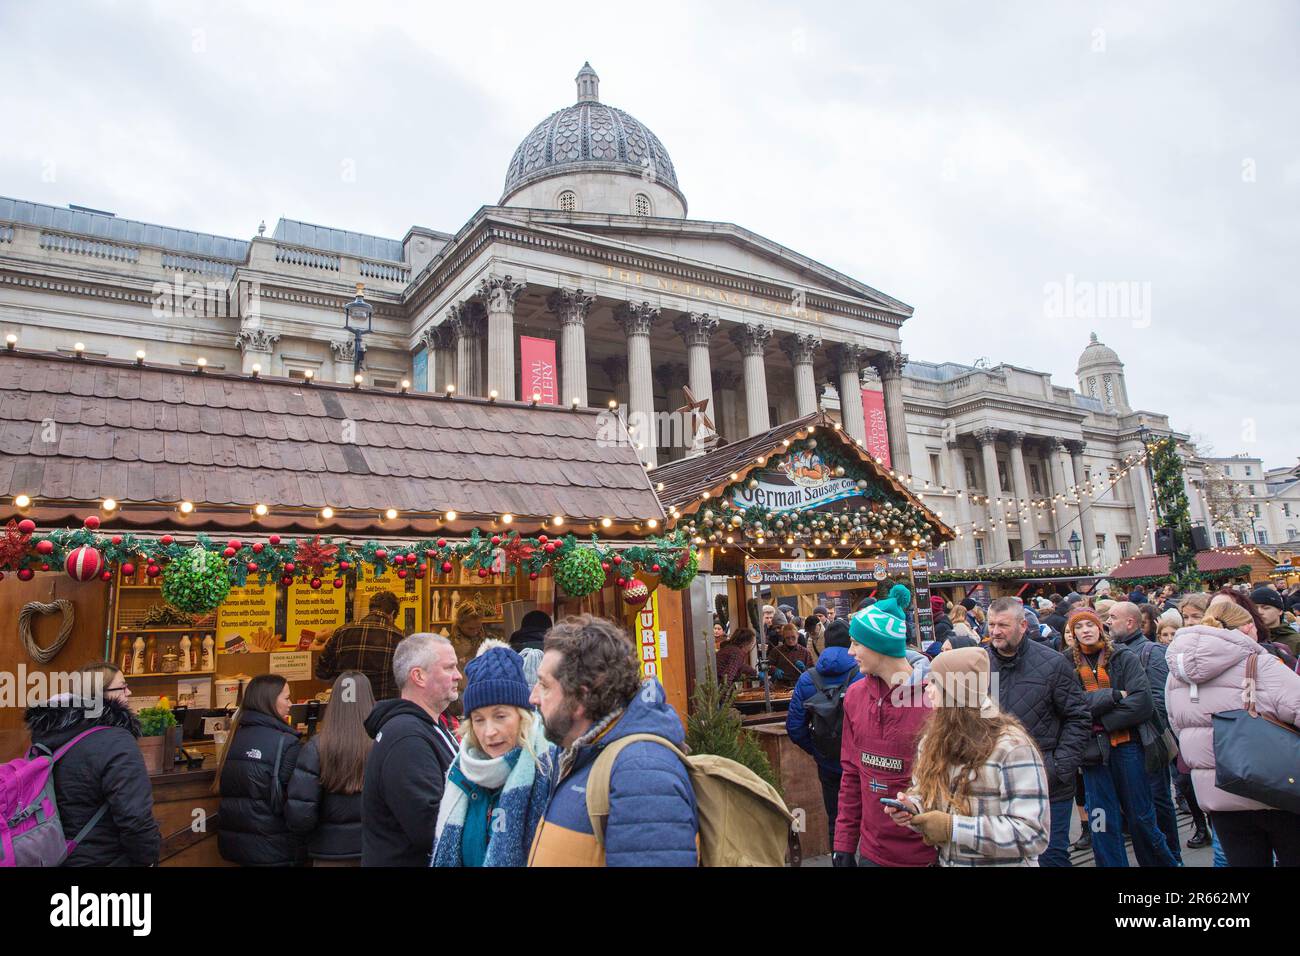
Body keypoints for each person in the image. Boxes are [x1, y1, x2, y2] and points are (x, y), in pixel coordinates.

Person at [527, 615, 697, 867]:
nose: (533, 697)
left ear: (580, 697)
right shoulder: (584, 754)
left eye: (544, 685)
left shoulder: (642, 773)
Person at [884, 647, 1051, 866]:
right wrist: (913, 807)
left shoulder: (1012, 747)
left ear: (955, 690)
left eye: (934, 682)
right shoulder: (933, 739)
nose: (927, 690)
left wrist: (953, 828)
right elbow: (924, 793)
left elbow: (1033, 834)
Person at [1165, 597, 1300, 866]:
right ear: (1249, 627)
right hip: (1276, 788)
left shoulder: (1177, 676)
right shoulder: (1262, 664)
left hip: (1220, 793)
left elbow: (1179, 727)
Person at [1064, 608, 1176, 867]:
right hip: (1093, 756)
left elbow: (1142, 702)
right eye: (1078, 627)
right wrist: (1113, 696)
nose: (1085, 631)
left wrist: (1099, 721)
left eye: (1089, 625)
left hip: (1128, 748)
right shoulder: (1065, 663)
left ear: (1100, 627)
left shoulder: (1124, 657)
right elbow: (1070, 706)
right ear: (1072, 633)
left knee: (1142, 818)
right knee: (1102, 822)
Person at [983, 596, 1089, 867]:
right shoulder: (979, 663)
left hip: (1049, 784)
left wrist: (1058, 767)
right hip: (995, 784)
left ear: (1022, 625)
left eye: (1003, 625)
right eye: (991, 624)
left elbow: (1078, 718)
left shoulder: (1053, 663)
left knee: (1051, 859)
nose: (995, 631)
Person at [832, 590, 935, 867]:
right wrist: (843, 843)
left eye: (856, 643)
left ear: (880, 644)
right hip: (872, 852)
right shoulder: (854, 696)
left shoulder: (935, 700)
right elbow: (852, 774)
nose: (850, 652)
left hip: (927, 854)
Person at [22, 662, 160, 866]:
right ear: (99, 694)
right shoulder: (117, 741)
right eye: (122, 686)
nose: (129, 692)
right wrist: (149, 860)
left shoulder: (49, 737)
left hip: (57, 856)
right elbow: (136, 819)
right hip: (107, 860)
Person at [432, 645, 556, 867]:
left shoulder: (550, 771)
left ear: (522, 716)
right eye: (479, 719)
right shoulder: (461, 773)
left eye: (500, 716)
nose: (489, 732)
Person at [362, 633, 461, 866]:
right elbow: (430, 827)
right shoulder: (407, 738)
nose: (458, 675)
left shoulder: (425, 727)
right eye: (449, 668)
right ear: (418, 676)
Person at [1105, 601, 1180, 864]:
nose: (1108, 622)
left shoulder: (1151, 652)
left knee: (1158, 802)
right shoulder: (1111, 653)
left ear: (1130, 623)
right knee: (1139, 809)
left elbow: (1160, 701)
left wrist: (1127, 715)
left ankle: (1173, 855)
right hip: (1124, 744)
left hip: (1148, 740)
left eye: (1113, 617)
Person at [285, 671, 375, 865]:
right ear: (369, 699)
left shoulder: (315, 748)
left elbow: (300, 816)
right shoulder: (383, 744)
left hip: (329, 852)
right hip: (375, 850)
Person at [214, 673, 304, 866]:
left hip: (238, 847)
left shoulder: (234, 738)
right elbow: (297, 803)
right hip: (275, 847)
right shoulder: (287, 743)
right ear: (270, 701)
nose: (291, 704)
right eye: (287, 698)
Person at [786, 619, 860, 847]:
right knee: (869, 818)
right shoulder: (864, 673)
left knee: (836, 819)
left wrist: (818, 750)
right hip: (861, 761)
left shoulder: (808, 678)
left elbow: (795, 727)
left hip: (828, 761)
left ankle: (839, 859)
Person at [316, 590, 404, 701]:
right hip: (382, 711)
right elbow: (405, 680)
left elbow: (322, 672)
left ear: (370, 609)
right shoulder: (398, 637)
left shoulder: (342, 631)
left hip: (348, 705)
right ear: (392, 614)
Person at [1251, 586, 1300, 657]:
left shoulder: (1295, 641)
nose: (1259, 612)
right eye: (1255, 608)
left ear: (1280, 611)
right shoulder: (1249, 638)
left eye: (1266, 608)